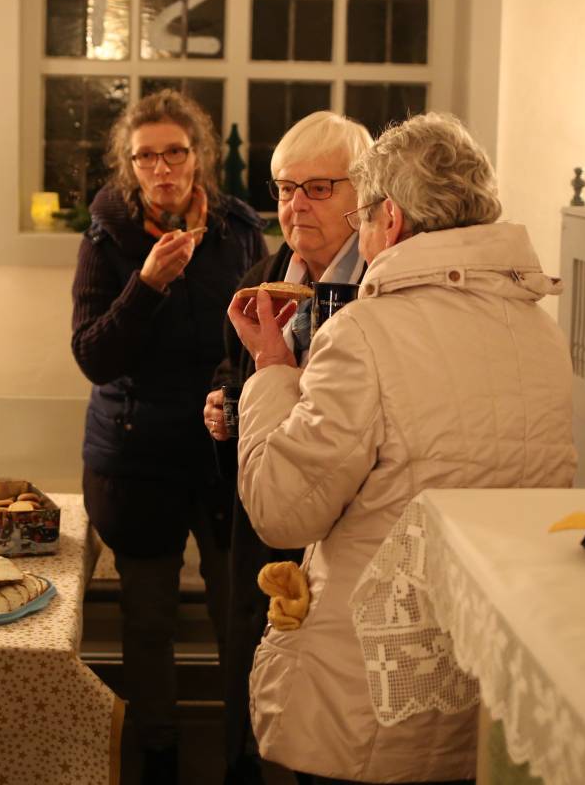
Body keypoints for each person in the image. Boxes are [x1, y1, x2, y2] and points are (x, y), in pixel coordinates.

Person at [227, 112, 577, 784]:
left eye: (360, 217)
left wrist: (271, 373)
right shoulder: (540, 332)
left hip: (371, 684)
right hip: (487, 665)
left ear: (390, 220)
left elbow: (281, 511)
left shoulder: (363, 333)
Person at [70, 89, 266, 782]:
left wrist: (235, 398)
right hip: (136, 457)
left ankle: (243, 751)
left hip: (222, 452)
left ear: (197, 156)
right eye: (146, 156)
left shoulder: (239, 231)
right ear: (129, 165)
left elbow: (264, 337)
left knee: (236, 611)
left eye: (174, 152)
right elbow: (93, 355)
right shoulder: (108, 236)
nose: (162, 168)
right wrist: (146, 284)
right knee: (148, 620)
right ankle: (157, 751)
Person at [202, 110, 373, 785]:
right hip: (267, 530)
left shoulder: (378, 289)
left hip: (345, 533)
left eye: (318, 188)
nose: (295, 204)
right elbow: (233, 369)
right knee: (259, 699)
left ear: (364, 194)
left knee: (330, 730)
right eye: (283, 189)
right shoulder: (266, 270)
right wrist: (225, 407)